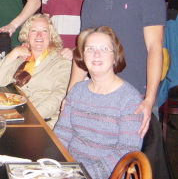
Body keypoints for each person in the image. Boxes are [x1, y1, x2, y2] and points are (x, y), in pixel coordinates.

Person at [69, 0, 166, 137]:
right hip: (96, 94)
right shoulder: (91, 1)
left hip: (135, 95)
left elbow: (155, 48)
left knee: (135, 164)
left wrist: (149, 99)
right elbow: (82, 52)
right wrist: (70, 97)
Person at [54, 26, 143, 179]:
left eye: (104, 49)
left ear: (115, 56)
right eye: (90, 49)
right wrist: (54, 163)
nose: (96, 54)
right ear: (83, 55)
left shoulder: (129, 99)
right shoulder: (77, 90)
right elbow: (63, 132)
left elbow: (126, 152)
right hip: (69, 170)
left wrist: (82, 174)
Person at [0, 14, 71, 128]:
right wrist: (14, 53)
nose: (39, 35)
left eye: (44, 31)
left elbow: (58, 96)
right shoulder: (20, 60)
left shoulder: (62, 62)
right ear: (26, 36)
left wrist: (28, 118)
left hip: (43, 123)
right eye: (34, 30)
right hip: (16, 118)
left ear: (51, 36)